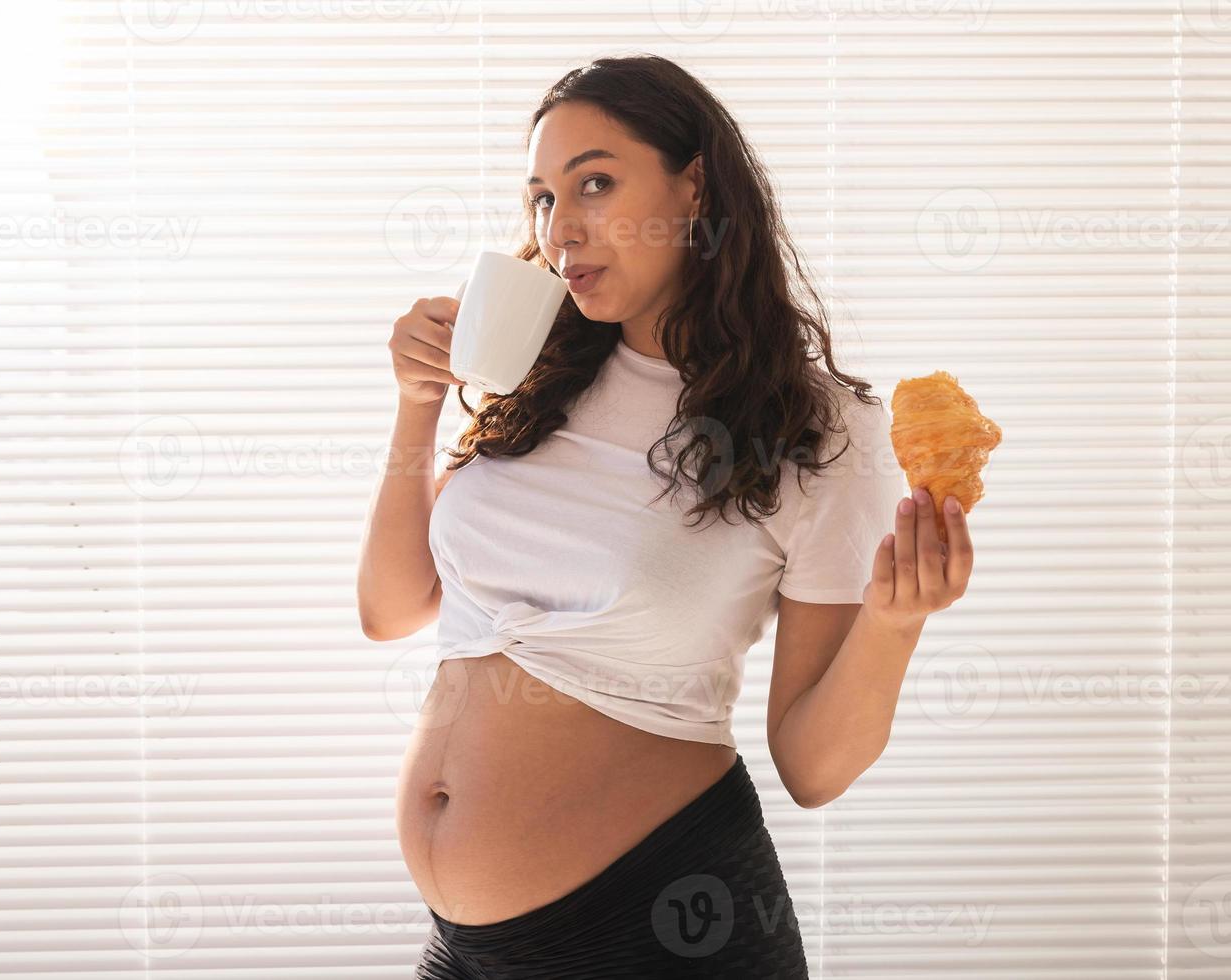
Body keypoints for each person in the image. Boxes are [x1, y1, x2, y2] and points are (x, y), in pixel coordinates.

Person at [357, 54, 975, 979]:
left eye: (595, 183)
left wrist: (893, 623)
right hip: (467, 949)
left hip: (659, 929)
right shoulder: (534, 372)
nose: (560, 230)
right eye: (540, 199)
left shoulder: (810, 429)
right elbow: (394, 607)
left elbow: (810, 768)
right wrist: (417, 402)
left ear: (693, 189)